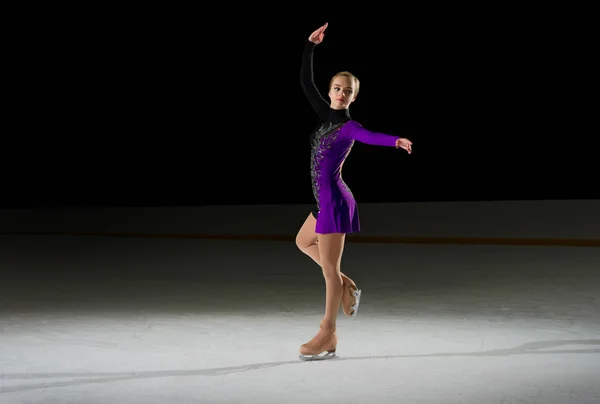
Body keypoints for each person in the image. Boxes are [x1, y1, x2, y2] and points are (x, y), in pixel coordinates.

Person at [295, 22, 413, 361]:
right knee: (303, 242)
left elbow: (371, 136)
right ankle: (348, 285)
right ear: (330, 90)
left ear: (354, 96)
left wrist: (395, 141)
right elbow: (305, 81)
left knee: (328, 270)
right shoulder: (323, 114)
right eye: (336, 87)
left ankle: (327, 332)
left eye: (347, 90)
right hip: (322, 200)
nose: (340, 93)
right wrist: (309, 46)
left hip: (334, 202)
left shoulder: (349, 127)